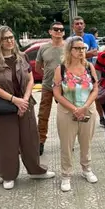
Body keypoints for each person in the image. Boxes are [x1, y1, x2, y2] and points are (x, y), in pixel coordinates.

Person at [0, 26, 55, 190]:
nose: (9, 41)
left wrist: (24, 99)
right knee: (6, 142)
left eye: (11, 37)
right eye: (5, 38)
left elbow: (31, 80)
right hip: (5, 105)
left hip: (25, 104)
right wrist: (14, 100)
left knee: (30, 139)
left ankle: (36, 170)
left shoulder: (22, 56)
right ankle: (8, 175)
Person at [53, 36, 99, 192]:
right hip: (67, 113)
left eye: (83, 48)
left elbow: (95, 89)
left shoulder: (89, 67)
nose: (81, 51)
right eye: (77, 48)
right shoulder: (61, 69)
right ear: (69, 50)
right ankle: (66, 175)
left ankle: (86, 169)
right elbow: (57, 94)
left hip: (88, 111)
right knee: (67, 145)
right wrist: (74, 109)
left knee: (86, 142)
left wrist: (85, 107)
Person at [36, 21, 66, 156]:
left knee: (66, 115)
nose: (58, 32)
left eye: (61, 30)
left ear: (64, 32)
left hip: (65, 88)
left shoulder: (68, 47)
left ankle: (67, 141)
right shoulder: (43, 48)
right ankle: (40, 141)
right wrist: (49, 76)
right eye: (56, 29)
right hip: (47, 86)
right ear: (50, 31)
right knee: (43, 115)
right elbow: (38, 67)